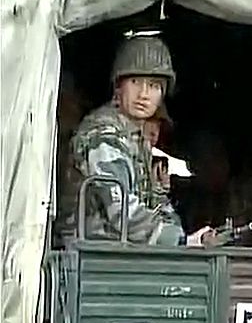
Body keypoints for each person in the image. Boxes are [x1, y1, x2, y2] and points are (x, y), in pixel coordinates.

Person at [57, 34, 213, 246]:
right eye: (135, 82)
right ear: (118, 86)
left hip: (118, 256)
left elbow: (153, 204)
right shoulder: (103, 133)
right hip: (92, 259)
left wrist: (182, 235)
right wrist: (178, 240)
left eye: (154, 85)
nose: (144, 94)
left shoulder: (135, 139)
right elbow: (121, 212)